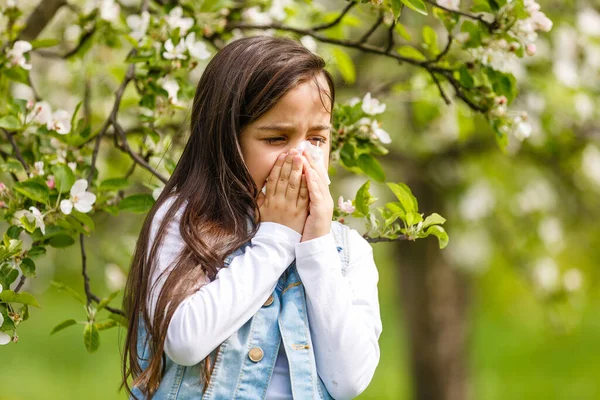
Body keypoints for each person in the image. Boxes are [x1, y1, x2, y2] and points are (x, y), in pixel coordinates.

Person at [120, 35, 382, 400]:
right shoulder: (184, 223)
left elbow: (349, 379)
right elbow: (185, 341)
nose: (300, 157)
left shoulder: (347, 251)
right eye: (277, 138)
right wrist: (275, 239)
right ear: (226, 140)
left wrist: (317, 246)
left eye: (317, 139)